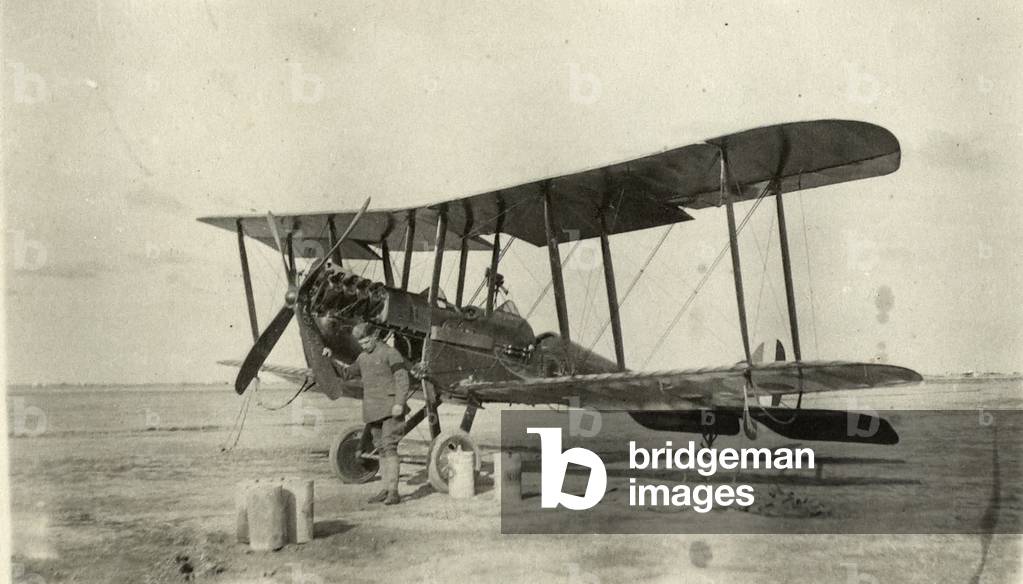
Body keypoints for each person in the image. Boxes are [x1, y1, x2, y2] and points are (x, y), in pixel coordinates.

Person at [325, 322, 410, 505]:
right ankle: (385, 489)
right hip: (373, 409)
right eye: (360, 343)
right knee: (380, 448)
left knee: (389, 447)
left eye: (365, 341)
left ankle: (394, 492)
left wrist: (399, 403)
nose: (363, 346)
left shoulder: (391, 353)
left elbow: (402, 380)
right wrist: (330, 358)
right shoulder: (362, 358)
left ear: (374, 337)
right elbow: (346, 373)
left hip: (391, 408)